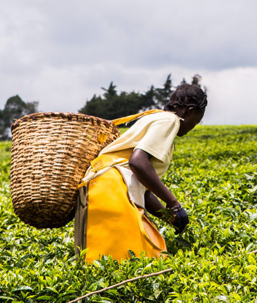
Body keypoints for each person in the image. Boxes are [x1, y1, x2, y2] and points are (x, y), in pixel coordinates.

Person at [74, 83, 207, 263]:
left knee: (100, 261)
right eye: (196, 122)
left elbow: (141, 185)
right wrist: (174, 204)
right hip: (112, 189)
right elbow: (137, 162)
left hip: (100, 188)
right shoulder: (170, 121)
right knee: (139, 258)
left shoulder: (156, 118)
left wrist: (169, 217)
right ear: (189, 111)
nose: (193, 127)